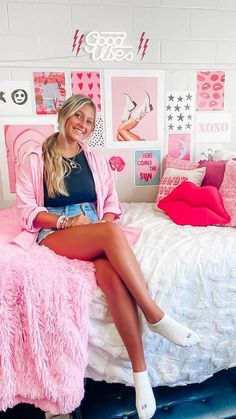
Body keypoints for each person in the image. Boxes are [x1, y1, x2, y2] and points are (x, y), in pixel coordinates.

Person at [14, 94, 200, 419]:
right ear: (65, 115)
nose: (83, 125)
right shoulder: (36, 155)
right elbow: (27, 209)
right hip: (56, 231)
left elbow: (112, 202)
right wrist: (65, 221)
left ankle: (141, 377)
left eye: (90, 121)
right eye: (79, 117)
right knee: (111, 234)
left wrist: (106, 221)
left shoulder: (95, 158)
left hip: (92, 225)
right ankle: (156, 316)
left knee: (112, 277)